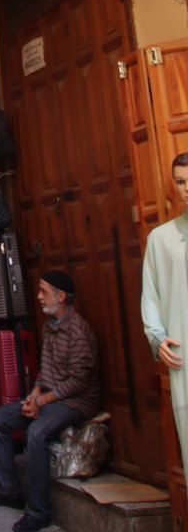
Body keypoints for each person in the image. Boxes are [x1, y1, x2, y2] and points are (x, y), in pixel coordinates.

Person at [0, 269, 100, 532]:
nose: (39, 297)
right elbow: (45, 368)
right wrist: (33, 394)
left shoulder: (78, 331)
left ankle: (39, 511)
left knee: (36, 433)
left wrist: (41, 402)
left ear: (61, 296)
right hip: (49, 398)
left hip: (74, 402)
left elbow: (79, 382)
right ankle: (8, 490)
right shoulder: (49, 325)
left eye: (44, 292)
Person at [142, 151, 188, 479]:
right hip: (183, 358)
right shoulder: (160, 239)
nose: (187, 188)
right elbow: (151, 297)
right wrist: (156, 338)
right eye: (181, 182)